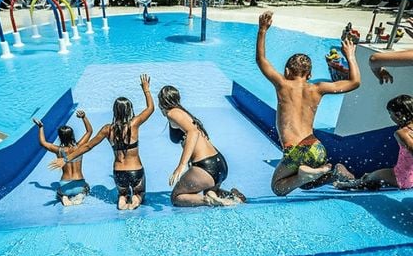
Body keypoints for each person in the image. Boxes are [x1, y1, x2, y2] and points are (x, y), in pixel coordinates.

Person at [256, 11, 361, 196]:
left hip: (296, 149)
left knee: (278, 187)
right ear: (310, 75)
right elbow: (354, 82)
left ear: (287, 71)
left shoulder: (283, 84)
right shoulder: (318, 88)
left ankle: (310, 173)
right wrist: (350, 56)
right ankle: (332, 173)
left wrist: (263, 30)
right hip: (317, 147)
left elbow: (261, 60)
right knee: (305, 183)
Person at [49, 74, 154, 210]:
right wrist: (146, 89)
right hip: (135, 170)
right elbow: (150, 108)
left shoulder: (107, 129)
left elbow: (88, 146)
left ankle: (122, 201)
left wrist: (66, 159)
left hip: (119, 172)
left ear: (114, 111)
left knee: (122, 194)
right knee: (139, 193)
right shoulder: (134, 124)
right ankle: (135, 201)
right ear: (129, 110)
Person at [157, 85, 246, 207]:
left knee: (176, 197)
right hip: (219, 164)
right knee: (209, 192)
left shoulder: (173, 113)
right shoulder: (184, 114)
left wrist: (181, 165)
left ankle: (209, 201)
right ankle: (233, 196)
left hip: (205, 167)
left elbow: (193, 132)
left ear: (161, 101)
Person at [335, 94, 413, 191]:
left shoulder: (402, 133)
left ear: (399, 114)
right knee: (374, 178)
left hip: (403, 177)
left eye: (390, 113)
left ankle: (345, 184)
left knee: (369, 177)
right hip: (409, 177)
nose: (390, 117)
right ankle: (364, 183)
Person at [33, 110, 93, 206]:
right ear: (72, 135)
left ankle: (63, 196)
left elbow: (43, 143)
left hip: (65, 185)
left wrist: (40, 127)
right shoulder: (79, 147)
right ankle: (80, 195)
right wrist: (83, 117)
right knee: (86, 187)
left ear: (60, 137)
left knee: (59, 191)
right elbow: (89, 131)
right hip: (79, 183)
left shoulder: (58, 150)